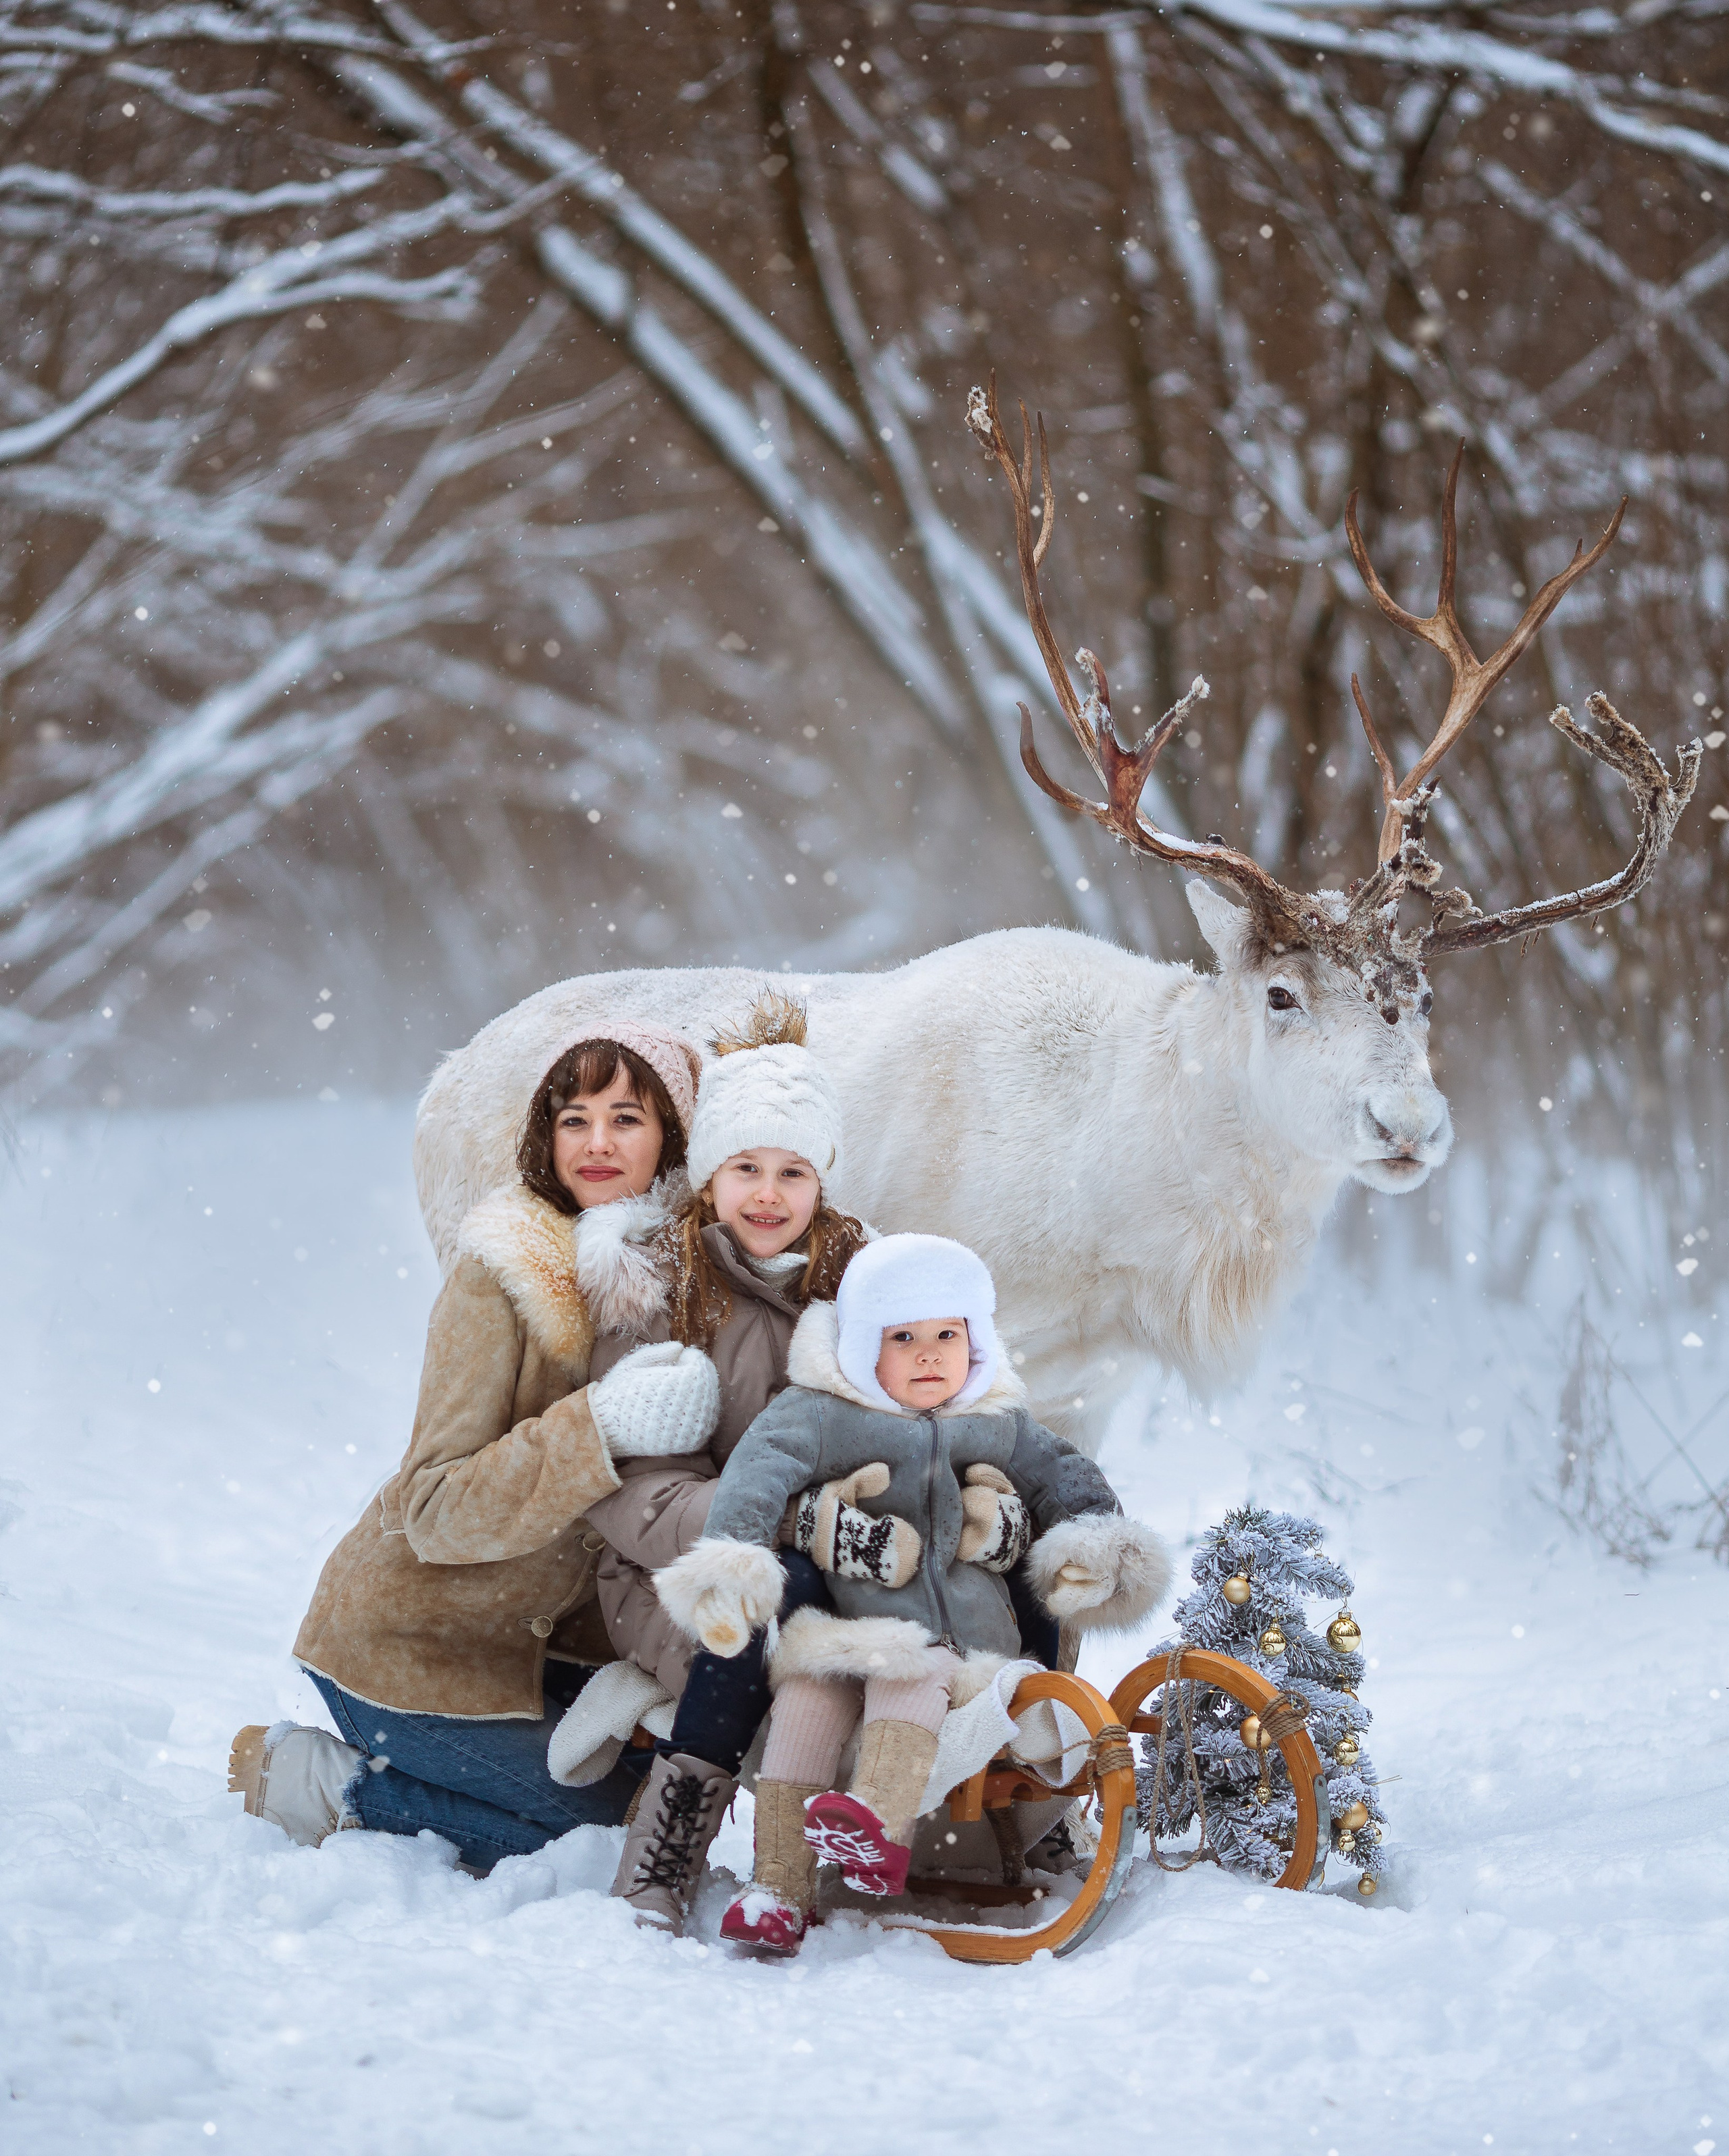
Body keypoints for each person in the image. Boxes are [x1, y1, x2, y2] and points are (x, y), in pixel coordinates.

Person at [228, 1022, 726, 1871]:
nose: (596, 1142)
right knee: (602, 1846)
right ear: (545, 1133)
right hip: (415, 1653)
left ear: (672, 1139)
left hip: (539, 1659)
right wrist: (596, 1427)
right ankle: (316, 1780)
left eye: (626, 1118)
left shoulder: (676, 1279)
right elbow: (433, 1509)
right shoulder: (500, 1274)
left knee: (663, 1811)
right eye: (573, 1118)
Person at [652, 1233, 1172, 1953]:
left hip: (960, 1646)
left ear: (975, 1341)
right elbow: (760, 1466)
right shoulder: (828, 1413)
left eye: (946, 1335)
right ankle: (777, 1886)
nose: (929, 1355)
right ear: (868, 1346)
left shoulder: (996, 1423)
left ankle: (877, 1828)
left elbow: (1066, 1475)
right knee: (807, 1690)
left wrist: (1093, 1539)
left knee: (912, 1669)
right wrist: (734, 1555)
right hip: (853, 1629)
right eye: (904, 1337)